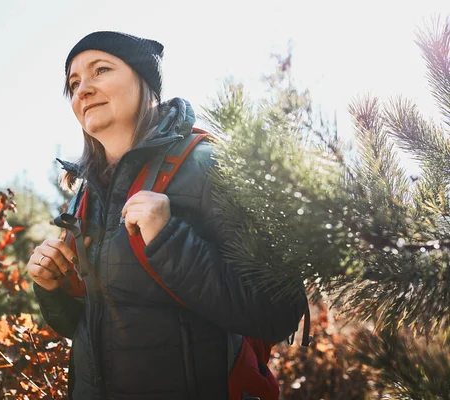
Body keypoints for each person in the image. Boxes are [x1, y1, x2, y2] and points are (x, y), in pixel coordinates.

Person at [27, 31, 307, 400]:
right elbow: (97, 327)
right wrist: (51, 289)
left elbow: (278, 312)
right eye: (74, 83)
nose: (82, 90)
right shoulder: (85, 195)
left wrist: (170, 241)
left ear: (144, 82)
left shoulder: (206, 165)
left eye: (101, 70)